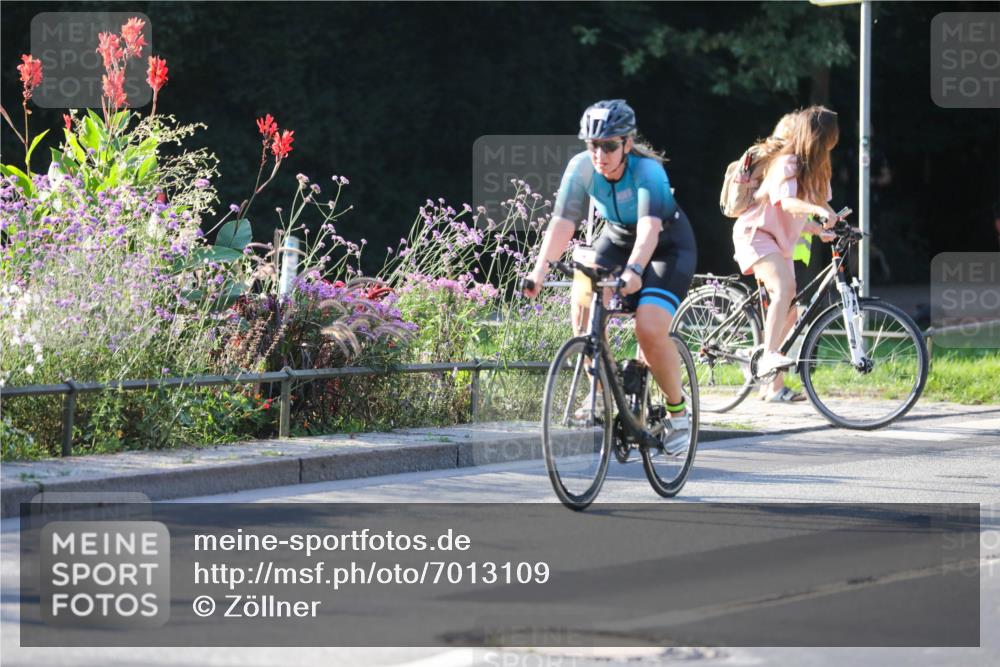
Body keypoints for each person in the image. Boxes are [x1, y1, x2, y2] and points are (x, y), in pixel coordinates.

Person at [523, 99, 697, 453]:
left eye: (609, 146)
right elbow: (563, 223)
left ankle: (678, 414)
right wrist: (539, 270)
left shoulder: (648, 172)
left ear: (627, 144)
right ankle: (600, 392)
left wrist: (634, 270)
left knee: (649, 328)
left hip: (667, 247)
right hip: (617, 238)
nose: (599, 155)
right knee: (584, 310)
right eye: (593, 145)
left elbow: (648, 230)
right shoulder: (581, 167)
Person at [731, 105, 840, 402]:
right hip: (756, 234)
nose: (834, 141)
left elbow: (821, 203)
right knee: (783, 289)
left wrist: (832, 225)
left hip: (779, 243)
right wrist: (819, 213)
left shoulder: (816, 167)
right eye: (831, 136)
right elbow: (787, 203)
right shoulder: (787, 162)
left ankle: (770, 383)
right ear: (819, 137)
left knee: (791, 313)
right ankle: (767, 355)